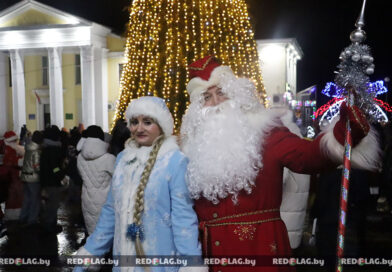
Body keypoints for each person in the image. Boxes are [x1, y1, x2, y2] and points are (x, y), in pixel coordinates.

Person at [180, 56, 381, 272]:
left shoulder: (267, 132)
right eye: (206, 97)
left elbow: (309, 156)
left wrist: (344, 132)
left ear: (236, 95)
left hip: (260, 250)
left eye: (221, 92)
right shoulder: (190, 148)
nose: (216, 102)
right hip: (209, 258)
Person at [74, 96, 205, 272]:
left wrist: (190, 265)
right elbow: (110, 212)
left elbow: (183, 219)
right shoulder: (122, 159)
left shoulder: (175, 161)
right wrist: (90, 252)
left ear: (161, 126)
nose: (139, 128)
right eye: (135, 122)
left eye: (148, 122)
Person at [77, 125, 116, 235]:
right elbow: (118, 178)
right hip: (106, 201)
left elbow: (81, 175)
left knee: (92, 231)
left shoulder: (80, 157)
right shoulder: (109, 158)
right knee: (106, 233)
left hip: (87, 199)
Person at [40, 125, 68, 233]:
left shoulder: (45, 148)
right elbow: (55, 167)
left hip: (46, 180)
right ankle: (49, 225)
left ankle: (49, 223)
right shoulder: (53, 150)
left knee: (49, 203)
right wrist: (61, 176)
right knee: (53, 204)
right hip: (53, 181)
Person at [19, 130, 44, 227]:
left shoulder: (28, 148)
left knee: (27, 199)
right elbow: (37, 167)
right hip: (34, 178)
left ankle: (23, 217)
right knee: (35, 200)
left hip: (25, 176)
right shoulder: (36, 151)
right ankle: (32, 220)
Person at [2, 130, 25, 221]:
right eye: (14, 141)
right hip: (13, 177)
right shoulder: (9, 150)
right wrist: (22, 160)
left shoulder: (13, 149)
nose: (16, 142)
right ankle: (13, 214)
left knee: (16, 196)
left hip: (14, 177)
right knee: (14, 196)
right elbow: (13, 162)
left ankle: (15, 213)